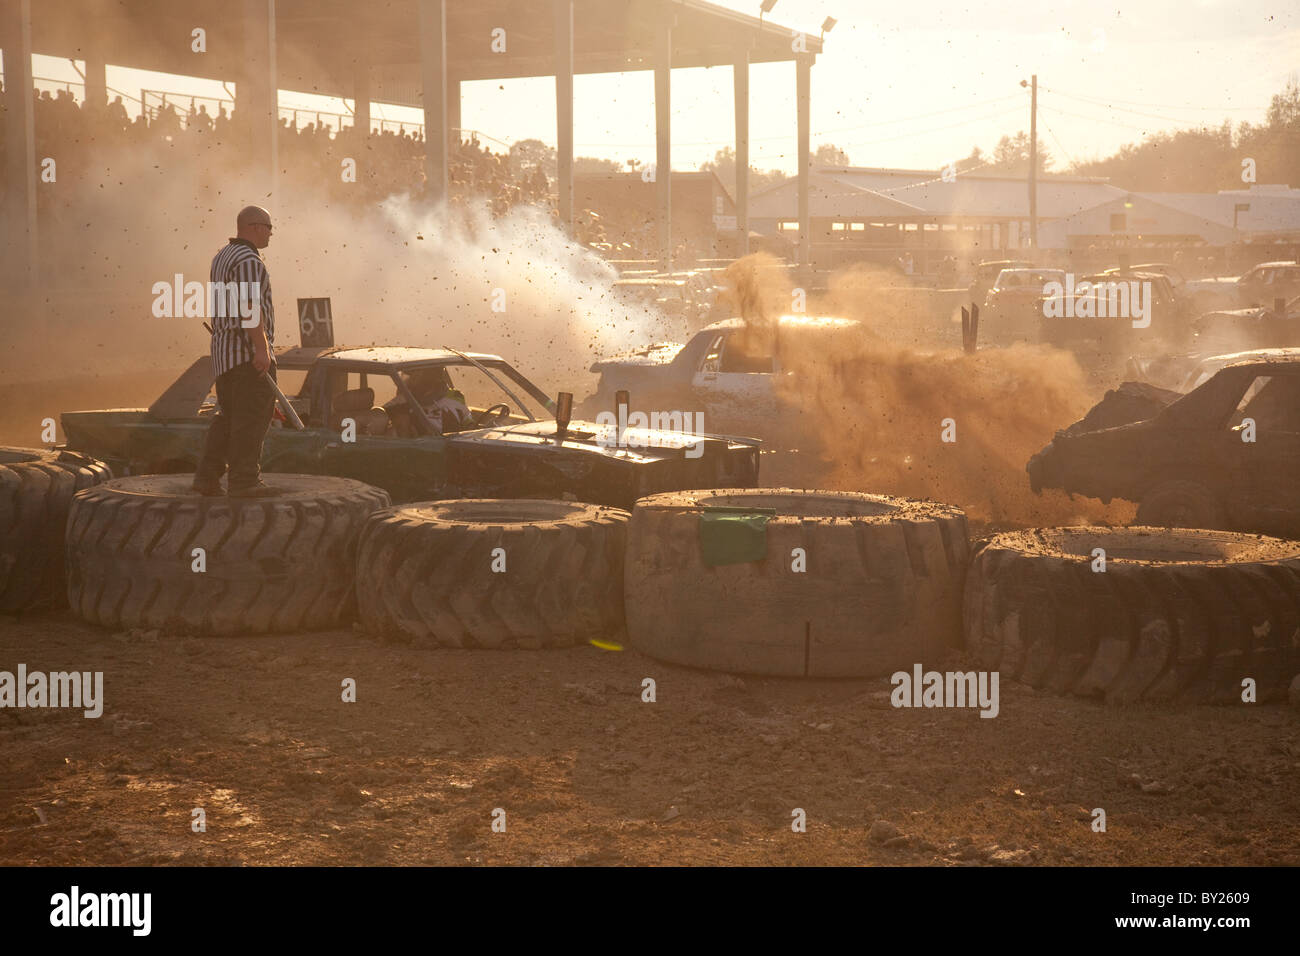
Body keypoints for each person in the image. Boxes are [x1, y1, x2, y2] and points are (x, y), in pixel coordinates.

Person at [192, 206, 278, 497]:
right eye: (268, 227)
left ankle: (206, 478)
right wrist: (262, 349)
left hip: (224, 356)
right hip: (246, 355)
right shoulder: (248, 260)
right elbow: (250, 307)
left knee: (228, 418)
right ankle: (244, 480)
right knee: (251, 419)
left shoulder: (222, 256)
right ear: (254, 227)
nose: (270, 233)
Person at [388, 367, 473, 434]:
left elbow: (471, 428)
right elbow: (380, 415)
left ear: (427, 378)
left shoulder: (455, 398)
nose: (408, 381)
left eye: (414, 376)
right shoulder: (402, 400)